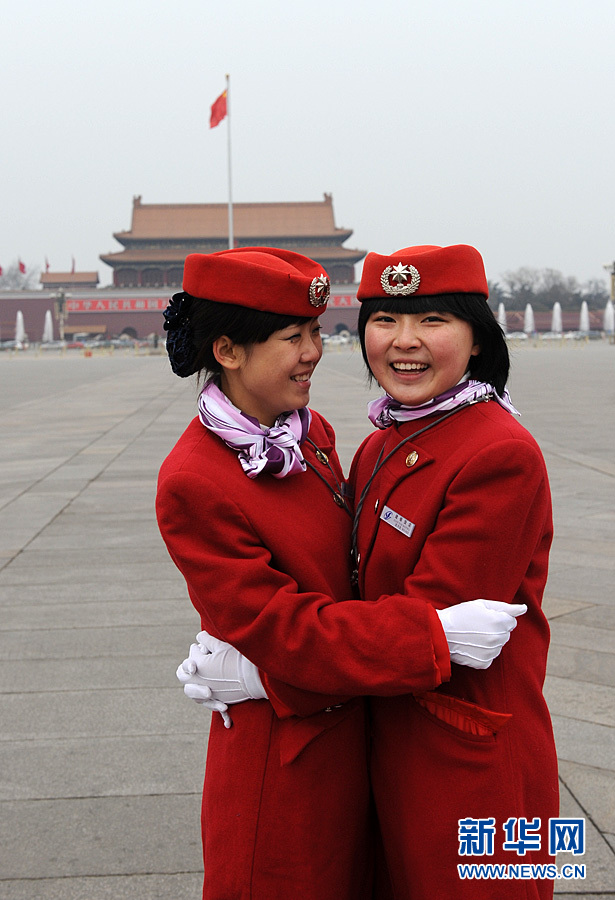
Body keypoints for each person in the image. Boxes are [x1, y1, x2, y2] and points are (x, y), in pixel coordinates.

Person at [177, 244, 558, 900]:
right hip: (384, 757)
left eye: (433, 321)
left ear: (476, 340)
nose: (403, 342)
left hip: (474, 763)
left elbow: (435, 624)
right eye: (384, 321)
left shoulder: (499, 454)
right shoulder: (382, 440)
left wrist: (267, 676)